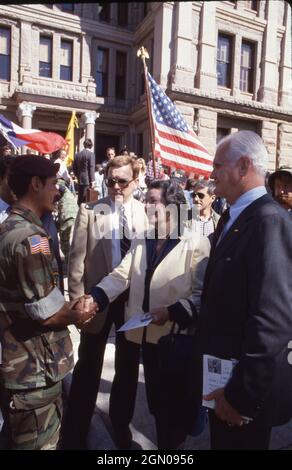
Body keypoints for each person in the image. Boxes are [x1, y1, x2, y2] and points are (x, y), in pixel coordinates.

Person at [89, 179, 210, 449]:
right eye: (147, 199)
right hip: (144, 339)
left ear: (172, 207)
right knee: (156, 406)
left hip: (175, 343)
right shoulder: (143, 238)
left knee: (173, 414)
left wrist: (171, 311)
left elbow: (202, 297)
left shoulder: (196, 243)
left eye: (153, 200)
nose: (146, 204)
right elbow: (122, 275)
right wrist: (95, 297)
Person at [196, 130, 292, 450]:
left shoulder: (270, 221)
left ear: (242, 167)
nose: (211, 174)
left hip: (241, 396)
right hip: (221, 380)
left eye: (217, 165)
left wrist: (240, 397)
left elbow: (272, 321)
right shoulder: (233, 216)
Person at [0, 154, 96, 450]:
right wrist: (81, 312)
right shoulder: (31, 240)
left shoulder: (10, 228)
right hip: (33, 373)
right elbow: (47, 313)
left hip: (23, 369)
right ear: (35, 184)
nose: (58, 191)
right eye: (54, 184)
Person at [61, 155, 147, 450]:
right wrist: (77, 305)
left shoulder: (146, 213)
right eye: (111, 181)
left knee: (126, 371)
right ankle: (75, 432)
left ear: (135, 181)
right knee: (87, 370)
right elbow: (75, 263)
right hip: (95, 303)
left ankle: (121, 426)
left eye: (123, 181)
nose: (116, 187)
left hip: (130, 305)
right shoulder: (90, 211)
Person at [73, 138, 96, 206]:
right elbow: (91, 168)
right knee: (86, 197)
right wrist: (93, 181)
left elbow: (74, 167)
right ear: (91, 145)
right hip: (88, 179)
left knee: (80, 197)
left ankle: (79, 211)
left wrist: (77, 175)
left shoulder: (78, 154)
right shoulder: (91, 154)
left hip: (80, 178)